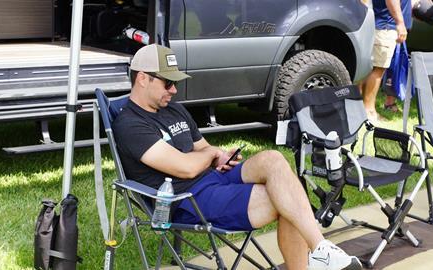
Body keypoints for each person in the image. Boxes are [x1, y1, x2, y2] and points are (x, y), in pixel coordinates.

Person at [112, 44, 363, 270]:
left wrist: (220, 155)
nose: (174, 90)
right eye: (168, 83)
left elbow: (202, 147)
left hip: (213, 179)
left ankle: (320, 250)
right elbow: (185, 169)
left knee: (273, 159)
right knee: (284, 200)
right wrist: (211, 154)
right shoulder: (131, 124)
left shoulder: (173, 109)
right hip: (187, 199)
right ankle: (316, 258)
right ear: (143, 79)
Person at [359, 0, 412, 122]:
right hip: (385, 27)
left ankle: (357, 107)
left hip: (379, 25)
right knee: (377, 69)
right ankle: (368, 111)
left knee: (367, 68)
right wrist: (400, 22)